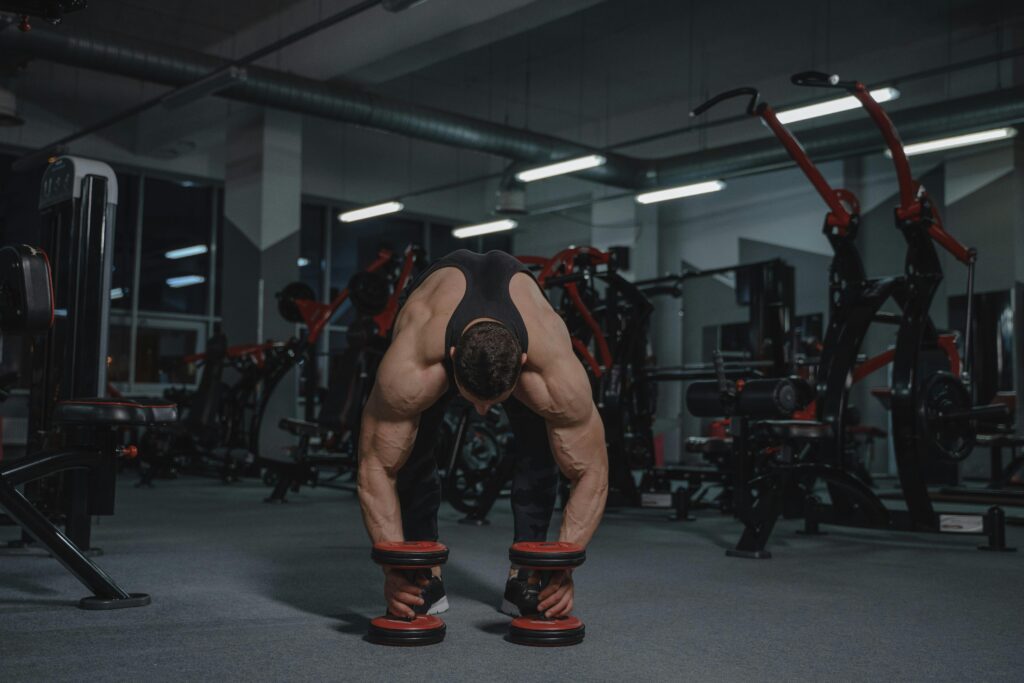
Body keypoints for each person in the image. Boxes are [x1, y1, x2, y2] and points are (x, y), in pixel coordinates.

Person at [357, 249, 608, 620]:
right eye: (472, 400)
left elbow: (591, 472)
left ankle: (529, 574)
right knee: (411, 455)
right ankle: (421, 574)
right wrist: (393, 567)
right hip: (435, 306)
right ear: (452, 357)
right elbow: (375, 467)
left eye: (494, 403)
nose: (481, 412)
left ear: (523, 363)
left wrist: (562, 567)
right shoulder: (413, 363)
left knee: (541, 454)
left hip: (520, 330)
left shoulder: (552, 365)